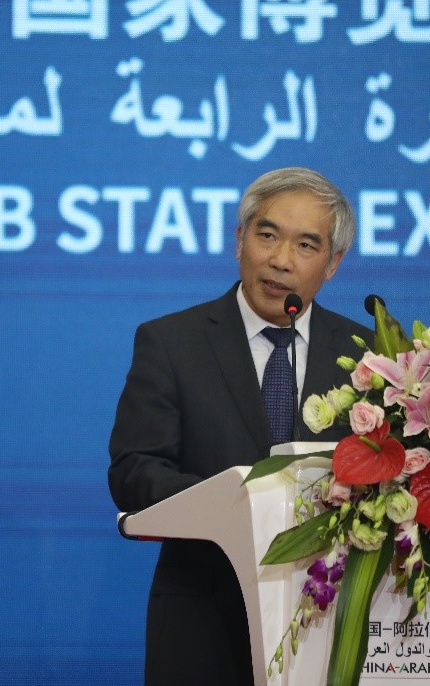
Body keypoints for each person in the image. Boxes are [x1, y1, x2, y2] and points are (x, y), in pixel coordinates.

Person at [108, 167, 373, 686]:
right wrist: (244, 501)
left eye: (306, 245)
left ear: (333, 263)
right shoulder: (172, 343)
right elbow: (134, 473)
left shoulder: (367, 356)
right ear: (239, 240)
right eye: (267, 235)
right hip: (203, 622)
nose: (280, 259)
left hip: (330, 623)